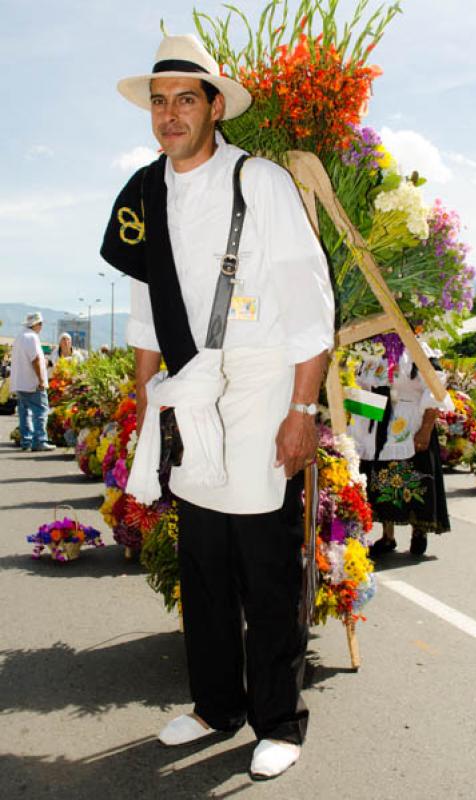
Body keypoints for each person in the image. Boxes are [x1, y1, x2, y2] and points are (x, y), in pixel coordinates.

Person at [101, 33, 334, 780]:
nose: (170, 115)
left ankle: (279, 720)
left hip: (263, 390)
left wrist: (302, 410)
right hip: (187, 401)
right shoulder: (143, 191)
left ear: (213, 107)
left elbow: (309, 301)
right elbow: (143, 311)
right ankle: (214, 706)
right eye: (159, 102)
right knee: (202, 566)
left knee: (265, 567)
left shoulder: (256, 180)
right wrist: (141, 411)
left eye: (185, 100)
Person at [350, 337, 452, 557]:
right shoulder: (372, 351)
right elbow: (363, 387)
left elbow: (436, 388)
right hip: (380, 423)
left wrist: (425, 428)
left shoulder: (419, 350)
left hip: (411, 422)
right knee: (382, 479)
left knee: (416, 475)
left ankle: (419, 531)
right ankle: (388, 535)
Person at [10, 312, 56, 451]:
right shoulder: (32, 337)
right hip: (32, 383)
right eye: (40, 324)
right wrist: (41, 380)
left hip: (20, 383)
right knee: (41, 411)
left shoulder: (20, 337)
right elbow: (35, 359)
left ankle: (26, 441)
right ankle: (39, 441)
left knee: (25, 413)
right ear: (36, 324)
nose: (41, 327)